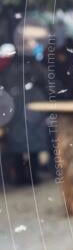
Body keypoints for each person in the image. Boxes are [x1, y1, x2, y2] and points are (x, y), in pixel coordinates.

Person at [0, 43, 49, 185]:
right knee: (32, 146)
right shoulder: (32, 66)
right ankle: (33, 177)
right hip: (31, 110)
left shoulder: (6, 70)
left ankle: (20, 178)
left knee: (17, 147)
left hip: (15, 112)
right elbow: (45, 80)